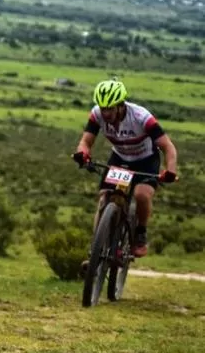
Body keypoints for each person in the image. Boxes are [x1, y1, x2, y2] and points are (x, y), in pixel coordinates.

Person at [72, 79, 178, 258]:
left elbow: (168, 146)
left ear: (121, 105)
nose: (105, 113)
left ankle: (140, 235)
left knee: (141, 195)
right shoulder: (97, 114)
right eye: (103, 108)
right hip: (120, 158)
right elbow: (86, 141)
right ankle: (95, 252)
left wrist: (170, 170)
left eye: (110, 108)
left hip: (146, 160)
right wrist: (82, 154)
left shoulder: (141, 117)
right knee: (104, 197)